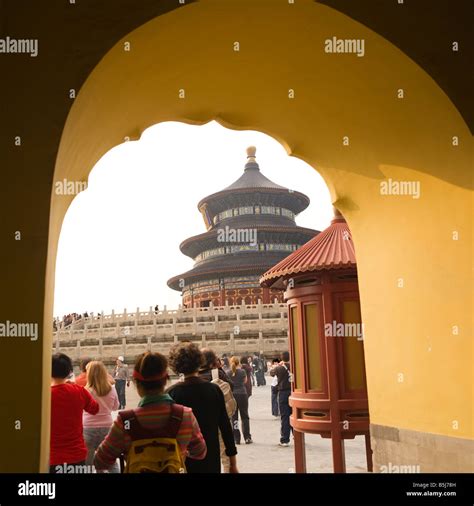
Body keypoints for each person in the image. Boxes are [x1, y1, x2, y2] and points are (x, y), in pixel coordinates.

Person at [94, 351, 207, 472]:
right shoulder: (185, 415)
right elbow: (200, 452)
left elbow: (100, 461)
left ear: (137, 383)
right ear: (165, 380)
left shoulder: (125, 421)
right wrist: (180, 451)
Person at [167, 343, 238, 473]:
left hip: (183, 459)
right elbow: (225, 427)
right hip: (210, 457)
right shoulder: (214, 390)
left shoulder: (172, 394)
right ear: (199, 361)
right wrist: (232, 464)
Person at [50, 353, 99, 473]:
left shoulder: (44, 395)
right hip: (77, 454)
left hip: (52, 456)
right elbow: (95, 409)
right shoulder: (79, 391)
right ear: (69, 371)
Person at [83, 361, 120, 473]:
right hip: (107, 427)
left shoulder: (85, 391)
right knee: (110, 462)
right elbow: (115, 407)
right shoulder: (112, 389)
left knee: (88, 463)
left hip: (88, 428)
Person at [270, 351, 293, 446]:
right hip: (292, 392)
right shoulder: (293, 366)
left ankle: (285, 439)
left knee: (284, 416)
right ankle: (297, 435)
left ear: (281, 358)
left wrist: (279, 364)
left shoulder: (279, 368)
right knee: (293, 414)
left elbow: (271, 373)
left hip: (283, 393)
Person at [229, 356, 252, 445]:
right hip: (242, 394)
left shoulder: (228, 372)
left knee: (234, 417)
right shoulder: (242, 371)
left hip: (233, 395)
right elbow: (245, 381)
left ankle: (236, 438)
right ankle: (247, 437)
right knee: (245, 416)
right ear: (239, 363)